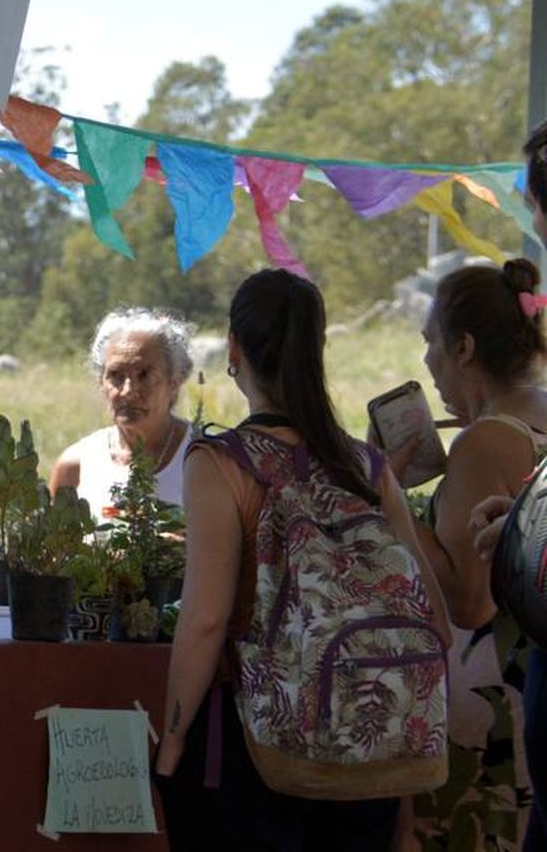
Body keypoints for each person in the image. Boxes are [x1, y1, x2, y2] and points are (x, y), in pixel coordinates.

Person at [154, 269, 449, 851]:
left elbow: (207, 621)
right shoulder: (365, 466)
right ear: (317, 352)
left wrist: (171, 740)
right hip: (372, 759)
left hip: (265, 748)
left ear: (234, 351)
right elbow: (431, 619)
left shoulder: (221, 464)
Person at [446, 121, 547, 852]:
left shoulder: (486, 437)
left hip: (496, 724)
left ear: (463, 348)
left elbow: (469, 600)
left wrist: (391, 502)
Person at [49, 308, 195, 522]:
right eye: (116, 376)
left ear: (174, 382)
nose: (128, 390)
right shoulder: (75, 467)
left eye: (144, 375)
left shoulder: (210, 458)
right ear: (101, 383)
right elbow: (52, 552)